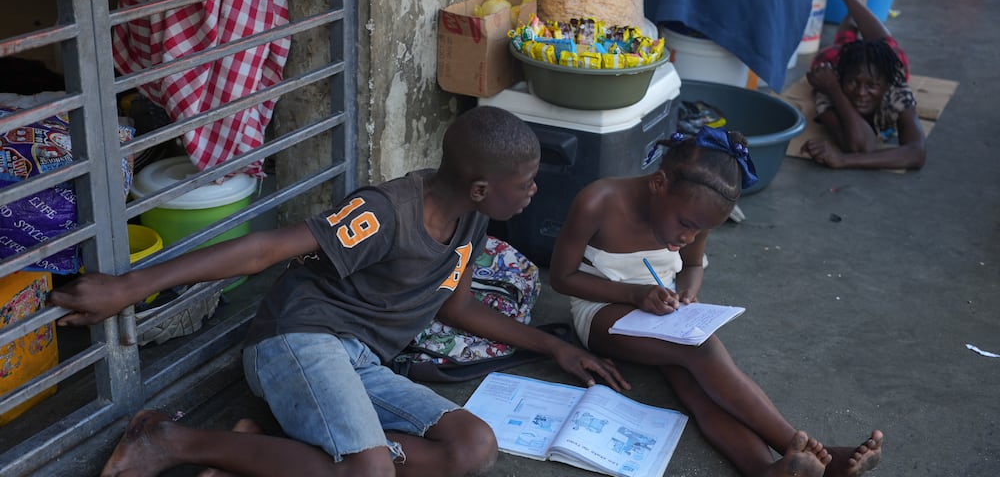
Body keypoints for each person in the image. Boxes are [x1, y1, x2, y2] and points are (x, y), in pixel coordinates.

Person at [51, 106, 628, 477]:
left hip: (360, 361)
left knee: (472, 446)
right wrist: (129, 286)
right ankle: (172, 440)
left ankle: (273, 454)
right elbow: (263, 249)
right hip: (298, 339)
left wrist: (553, 347)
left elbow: (457, 306)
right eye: (524, 184)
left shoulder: (473, 222)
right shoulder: (385, 212)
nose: (531, 193)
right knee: (369, 472)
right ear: (480, 188)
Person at [548, 126, 884, 477]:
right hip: (600, 310)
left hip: (661, 308)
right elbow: (562, 278)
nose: (687, 237)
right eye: (685, 225)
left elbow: (692, 265)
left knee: (693, 384)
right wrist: (635, 294)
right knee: (700, 350)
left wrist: (688, 294)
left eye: (699, 231)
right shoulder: (598, 201)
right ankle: (809, 449)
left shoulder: (696, 213)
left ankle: (766, 470)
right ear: (659, 184)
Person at [800, 0, 925, 170]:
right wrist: (834, 90)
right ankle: (854, 4)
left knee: (891, 50)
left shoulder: (896, 90)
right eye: (852, 83)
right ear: (840, 79)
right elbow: (861, 146)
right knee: (842, 44)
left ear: (886, 85)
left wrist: (843, 160)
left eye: (872, 86)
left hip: (874, 67)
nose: (861, 92)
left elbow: (917, 153)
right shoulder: (829, 84)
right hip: (838, 60)